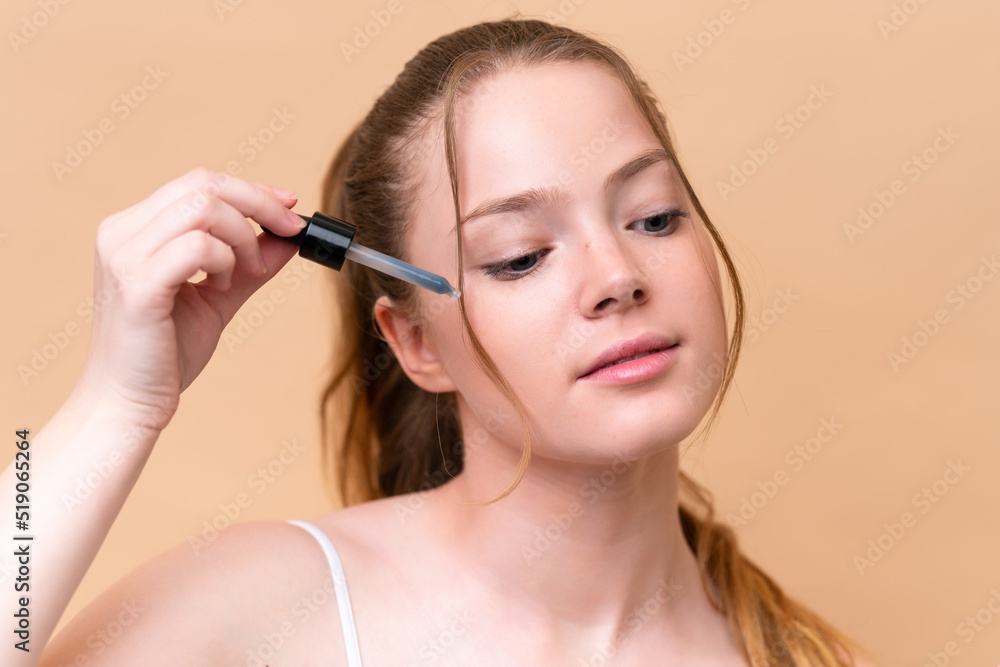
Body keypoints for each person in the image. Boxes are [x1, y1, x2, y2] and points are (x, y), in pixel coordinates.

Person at [4, 17, 877, 667]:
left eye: (654, 216)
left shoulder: (794, 651)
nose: (617, 273)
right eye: (521, 256)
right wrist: (114, 409)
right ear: (415, 342)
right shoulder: (274, 607)